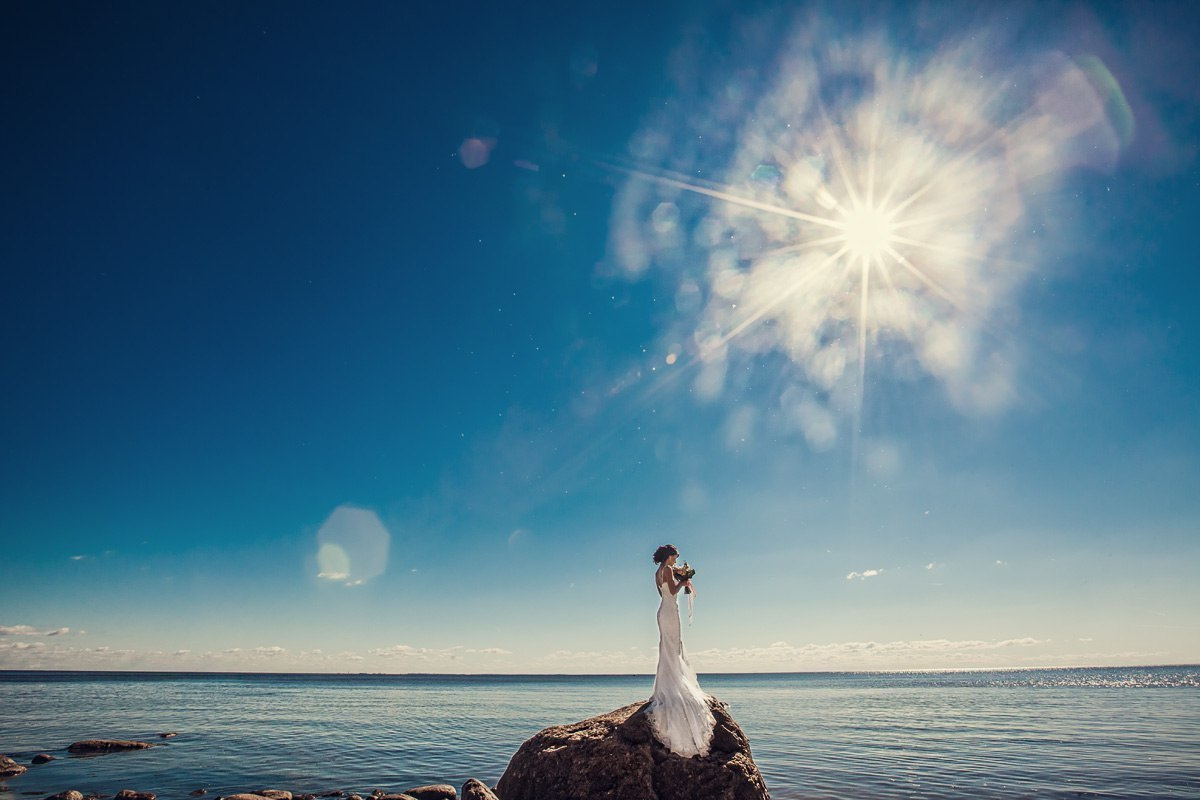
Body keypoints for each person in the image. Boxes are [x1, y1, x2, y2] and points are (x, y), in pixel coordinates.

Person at [646, 544, 715, 757]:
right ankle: (674, 688)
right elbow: (672, 592)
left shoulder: (659, 572)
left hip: (663, 610)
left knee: (668, 649)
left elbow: (664, 591)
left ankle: (667, 687)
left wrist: (679, 578)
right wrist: (683, 582)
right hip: (669, 611)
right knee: (672, 648)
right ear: (669, 555)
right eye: (676, 555)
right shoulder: (666, 570)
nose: (677, 558)